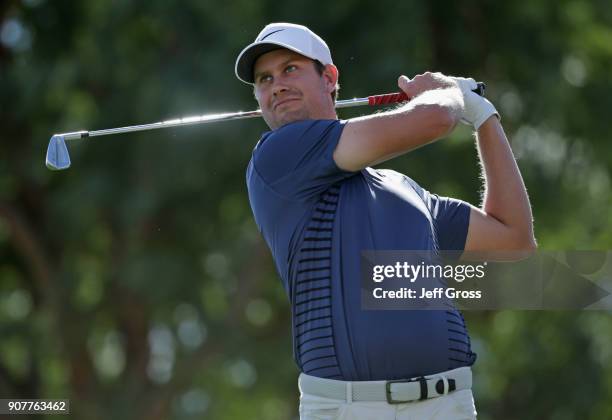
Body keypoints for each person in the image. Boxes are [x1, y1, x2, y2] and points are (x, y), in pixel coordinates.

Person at [235, 22, 536, 419]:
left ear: (329, 78)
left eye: (290, 69)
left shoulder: (403, 189)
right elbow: (434, 120)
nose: (276, 85)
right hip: (348, 409)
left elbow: (514, 238)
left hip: (447, 405)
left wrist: (484, 117)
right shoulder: (277, 157)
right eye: (264, 79)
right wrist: (450, 94)